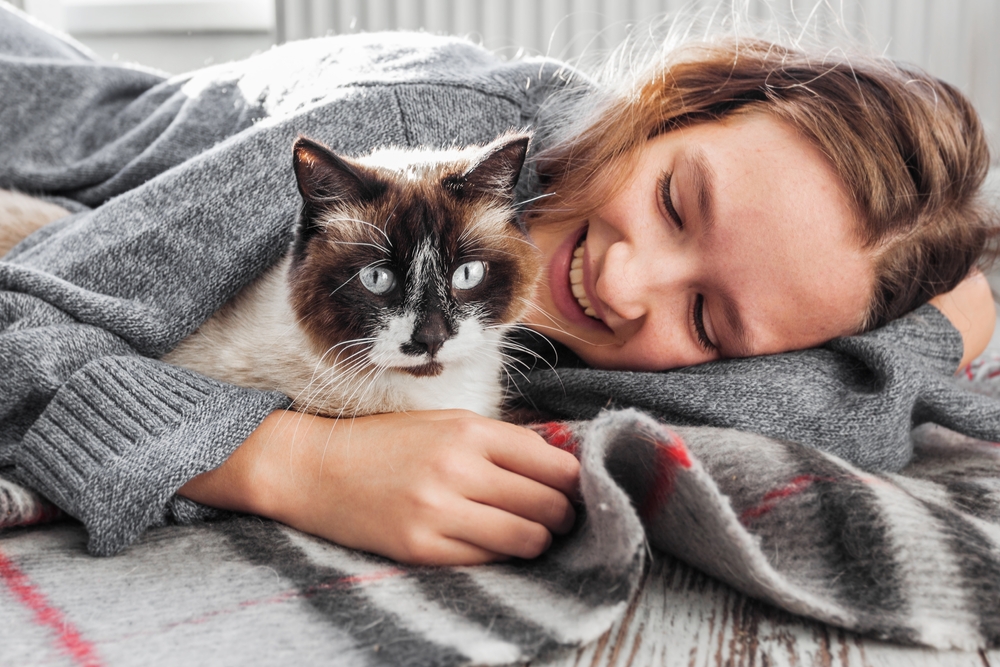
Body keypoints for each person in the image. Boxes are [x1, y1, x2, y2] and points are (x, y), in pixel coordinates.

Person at [0, 6, 995, 565]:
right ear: (668, 107)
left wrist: (937, 322)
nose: (622, 278)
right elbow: (24, 332)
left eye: (707, 315)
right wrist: (287, 462)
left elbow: (812, 420)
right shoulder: (409, 133)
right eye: (676, 202)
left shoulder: (622, 313)